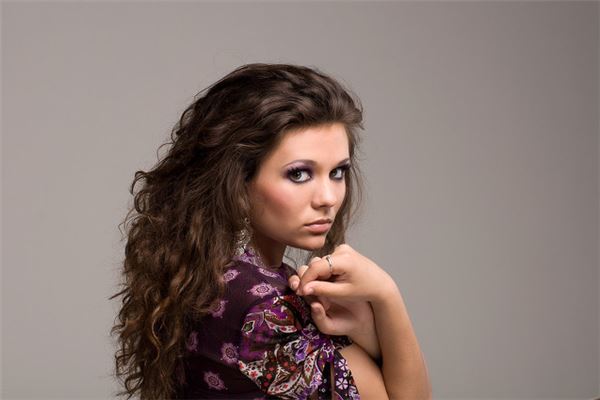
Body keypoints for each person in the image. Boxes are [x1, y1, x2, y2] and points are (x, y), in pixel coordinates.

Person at [110, 62, 431, 399]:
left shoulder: (212, 273)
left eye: (337, 172)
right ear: (238, 182)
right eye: (299, 174)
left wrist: (367, 330)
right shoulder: (265, 309)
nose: (327, 198)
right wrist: (386, 296)